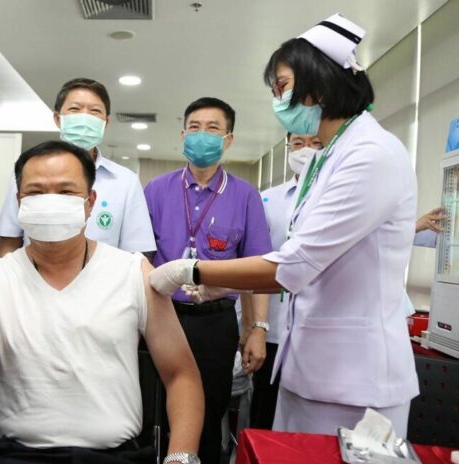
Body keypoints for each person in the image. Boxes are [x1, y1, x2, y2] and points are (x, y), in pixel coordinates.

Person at [149, 13, 419, 438]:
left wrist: (190, 270)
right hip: (312, 364)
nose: (278, 98)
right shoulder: (331, 155)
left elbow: (294, 263)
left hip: (355, 377)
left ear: (321, 83)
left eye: (283, 86)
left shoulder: (371, 154)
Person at [0, 140, 204, 464]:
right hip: (21, 456)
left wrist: (180, 457)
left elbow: (181, 373)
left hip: (115, 457)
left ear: (90, 202)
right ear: (19, 202)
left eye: (66, 192)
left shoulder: (132, 272)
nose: (50, 202)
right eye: (36, 192)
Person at [144, 97, 272, 463]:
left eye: (213, 128)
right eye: (194, 128)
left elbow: (257, 269)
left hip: (215, 323)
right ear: (182, 135)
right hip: (162, 317)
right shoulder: (156, 190)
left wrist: (257, 328)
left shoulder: (246, 196)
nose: (202, 136)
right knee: (155, 408)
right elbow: (140, 258)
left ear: (228, 139)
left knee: (210, 407)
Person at [0, 78, 155, 256]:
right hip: (32, 278)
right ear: (58, 118)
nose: (84, 118)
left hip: (106, 282)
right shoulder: (28, 171)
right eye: (75, 109)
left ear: (105, 123)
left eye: (94, 111)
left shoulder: (126, 181)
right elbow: (9, 241)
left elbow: (138, 253)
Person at [248, 133, 322, 430]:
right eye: (298, 144)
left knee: (310, 421)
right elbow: (257, 263)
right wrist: (256, 327)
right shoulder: (268, 200)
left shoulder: (338, 194)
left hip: (319, 329)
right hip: (276, 329)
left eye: (315, 143)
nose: (306, 151)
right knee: (265, 413)